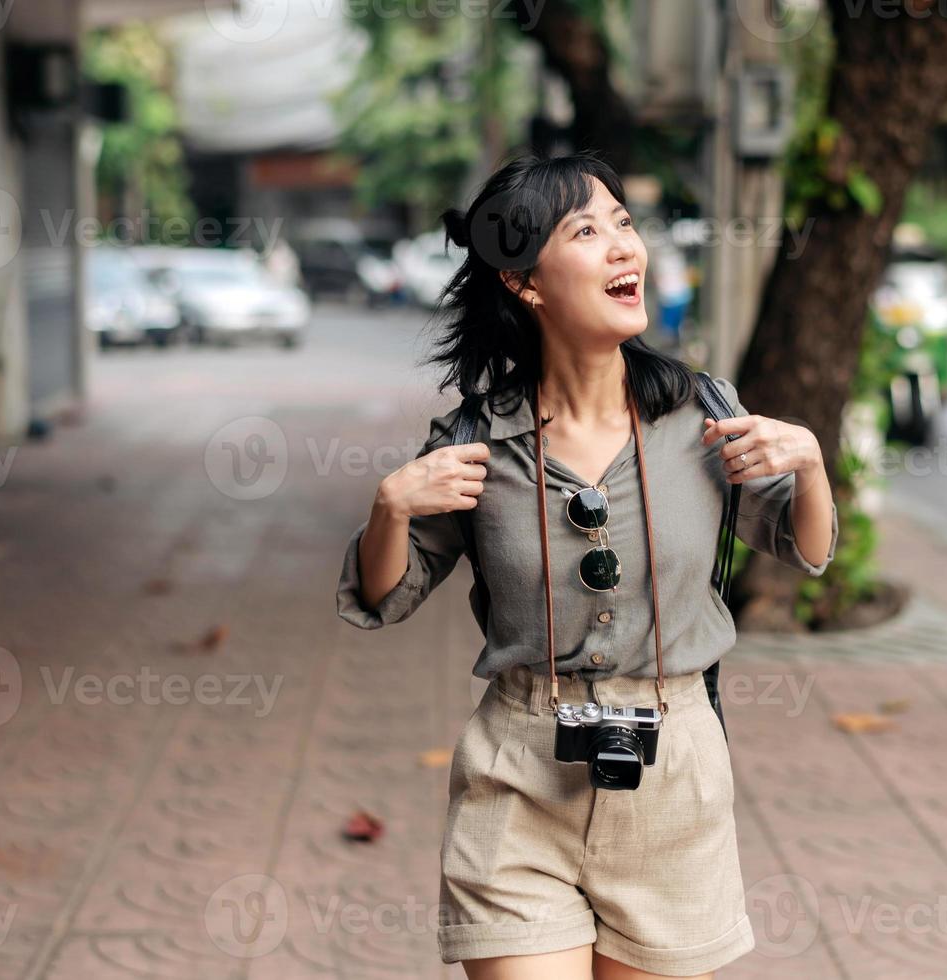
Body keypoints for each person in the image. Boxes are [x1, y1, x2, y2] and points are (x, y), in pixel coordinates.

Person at [335, 151, 838, 980]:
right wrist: (390, 508)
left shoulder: (700, 416)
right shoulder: (475, 440)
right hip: (521, 774)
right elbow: (383, 597)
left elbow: (804, 547)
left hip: (674, 774)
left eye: (625, 225)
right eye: (586, 230)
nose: (623, 248)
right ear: (525, 282)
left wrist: (811, 465)